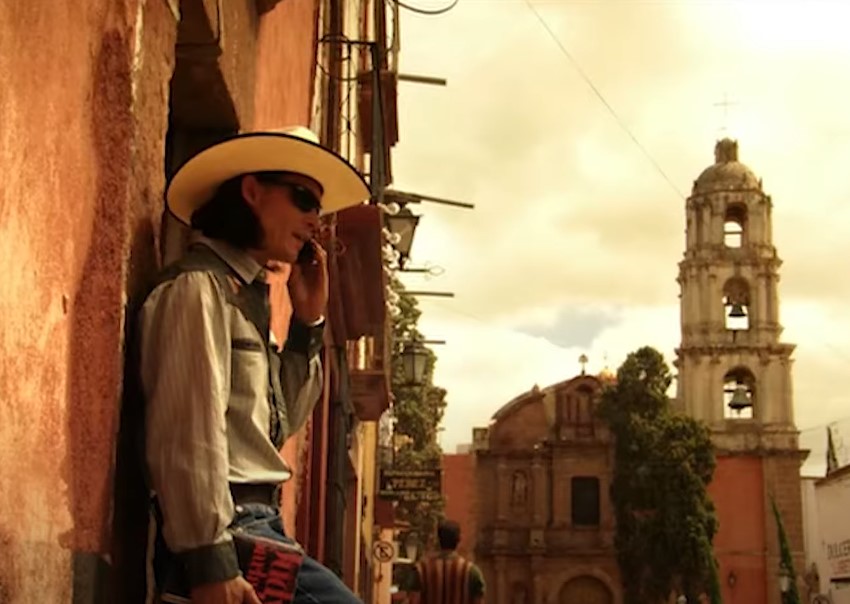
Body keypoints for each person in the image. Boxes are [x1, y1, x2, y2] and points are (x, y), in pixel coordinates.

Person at [135, 126, 369, 603]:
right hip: (229, 532)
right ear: (252, 191)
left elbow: (277, 428)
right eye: (304, 199)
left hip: (260, 531)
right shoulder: (199, 289)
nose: (314, 220)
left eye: (319, 209)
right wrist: (210, 563)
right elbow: (186, 436)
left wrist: (308, 323)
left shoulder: (249, 298)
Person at [409, 520, 485, 604]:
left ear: (438, 539)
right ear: (458, 540)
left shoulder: (422, 570)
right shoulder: (471, 571)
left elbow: (414, 600)